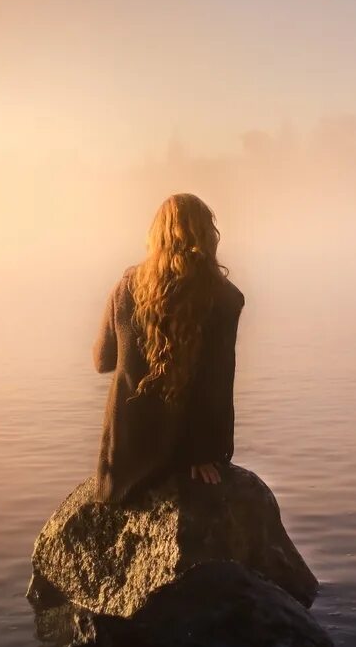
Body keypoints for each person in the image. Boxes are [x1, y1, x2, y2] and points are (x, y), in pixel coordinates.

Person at [91, 193, 246, 505]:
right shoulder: (225, 298)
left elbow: (102, 360)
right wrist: (204, 453)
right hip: (182, 455)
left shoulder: (126, 287)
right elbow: (216, 384)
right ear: (207, 237)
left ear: (155, 235)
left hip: (124, 461)